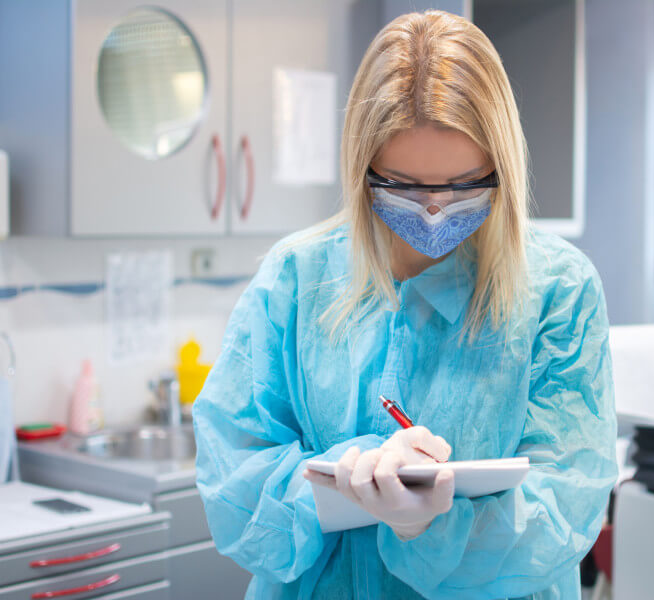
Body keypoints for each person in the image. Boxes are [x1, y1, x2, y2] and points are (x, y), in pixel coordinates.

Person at [193, 9, 617, 600]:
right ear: (363, 169)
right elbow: (233, 487)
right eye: (406, 186)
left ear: (504, 168)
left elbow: (565, 506)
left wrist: (427, 526)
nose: (436, 209)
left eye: (466, 184)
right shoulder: (296, 277)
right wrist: (350, 475)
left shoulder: (556, 290)